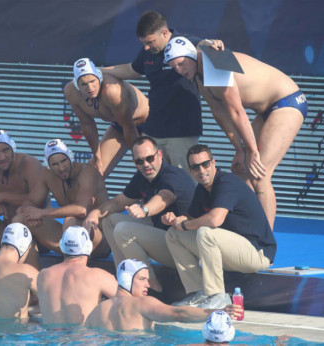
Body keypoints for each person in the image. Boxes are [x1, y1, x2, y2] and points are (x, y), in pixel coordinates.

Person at [163, 37, 307, 230]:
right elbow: (220, 114)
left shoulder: (214, 64)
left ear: (191, 55)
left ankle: (265, 245)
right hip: (267, 110)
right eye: (174, 67)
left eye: (181, 63)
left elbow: (237, 112)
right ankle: (244, 229)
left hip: (287, 101)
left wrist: (252, 151)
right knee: (240, 171)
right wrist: (239, 149)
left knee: (259, 173)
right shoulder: (199, 76)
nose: (179, 70)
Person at [101, 11, 223, 172]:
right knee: (154, 182)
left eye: (150, 42)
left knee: (184, 183)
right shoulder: (148, 52)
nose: (146, 47)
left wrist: (209, 44)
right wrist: (97, 72)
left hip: (182, 133)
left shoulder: (184, 43)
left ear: (165, 32)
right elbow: (131, 69)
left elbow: (200, 45)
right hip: (153, 131)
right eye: (143, 43)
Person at [163, 144, 277, 309]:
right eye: (195, 167)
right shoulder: (203, 188)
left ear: (213, 163)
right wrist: (175, 220)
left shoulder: (227, 182)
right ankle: (199, 293)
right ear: (190, 170)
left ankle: (218, 296)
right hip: (232, 251)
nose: (201, 170)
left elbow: (214, 220)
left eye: (205, 164)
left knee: (206, 232)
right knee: (173, 234)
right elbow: (190, 218)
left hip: (257, 253)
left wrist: (186, 225)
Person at [84, 135, 195, 291]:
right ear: (134, 163)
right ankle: (124, 283)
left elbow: (164, 197)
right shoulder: (142, 177)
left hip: (183, 247)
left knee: (124, 230)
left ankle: (151, 287)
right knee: (110, 219)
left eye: (150, 158)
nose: (146, 164)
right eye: (140, 161)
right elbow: (118, 202)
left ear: (160, 155)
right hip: (164, 237)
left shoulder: (173, 176)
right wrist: (95, 212)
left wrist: (145, 209)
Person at [85, 259, 242, 331]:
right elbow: (178, 313)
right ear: (127, 279)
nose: (148, 284)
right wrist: (217, 312)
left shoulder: (96, 312)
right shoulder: (142, 304)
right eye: (142, 279)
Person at [17, 139, 110, 258]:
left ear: (70, 157)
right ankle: (23, 270)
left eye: (63, 161)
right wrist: (27, 211)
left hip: (100, 238)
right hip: (71, 236)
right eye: (55, 164)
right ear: (48, 165)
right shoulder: (47, 174)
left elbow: (82, 210)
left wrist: (41, 213)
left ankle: (72, 268)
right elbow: (31, 200)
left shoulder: (88, 171)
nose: (61, 168)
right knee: (21, 218)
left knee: (71, 222)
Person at [64, 58, 149, 177]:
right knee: (92, 176)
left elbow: (128, 126)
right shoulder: (71, 92)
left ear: (99, 77)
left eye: (92, 81)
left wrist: (137, 158)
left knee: (150, 170)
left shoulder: (111, 90)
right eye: (84, 84)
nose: (90, 88)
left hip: (147, 121)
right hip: (120, 126)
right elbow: (87, 124)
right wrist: (97, 157)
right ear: (77, 85)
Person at [0, 130, 47, 250]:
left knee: (23, 214)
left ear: (13, 148)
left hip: (38, 233)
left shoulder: (29, 164)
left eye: (5, 150)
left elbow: (39, 200)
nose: (1, 157)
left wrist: (1, 196)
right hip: (8, 235)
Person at [37, 225, 117, 324]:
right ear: (89, 246)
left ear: (62, 246)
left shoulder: (43, 275)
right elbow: (128, 301)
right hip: (84, 337)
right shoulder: (98, 276)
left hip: (49, 337)